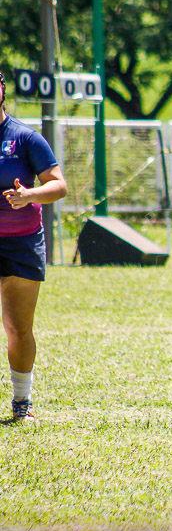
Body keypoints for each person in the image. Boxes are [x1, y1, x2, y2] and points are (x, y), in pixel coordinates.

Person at [0, 71, 67, 422]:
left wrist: (28, 196)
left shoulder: (24, 137)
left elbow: (58, 186)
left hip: (20, 242)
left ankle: (21, 403)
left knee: (17, 327)